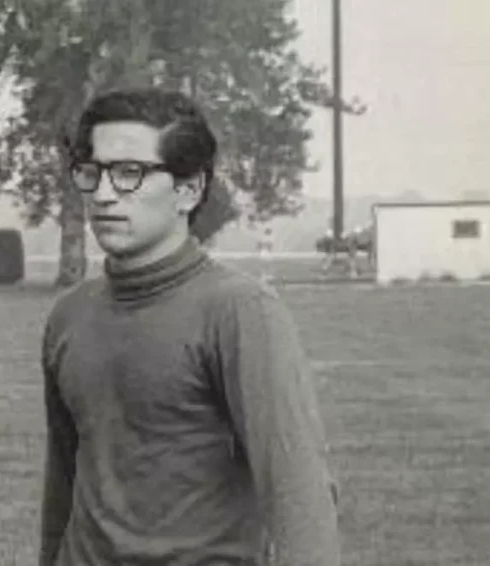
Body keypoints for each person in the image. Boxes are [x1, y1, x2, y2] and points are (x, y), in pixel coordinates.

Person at [39, 87, 341, 566]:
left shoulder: (240, 311)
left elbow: (299, 493)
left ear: (188, 190)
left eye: (129, 173)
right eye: (92, 172)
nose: (102, 193)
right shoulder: (68, 317)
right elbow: (62, 484)